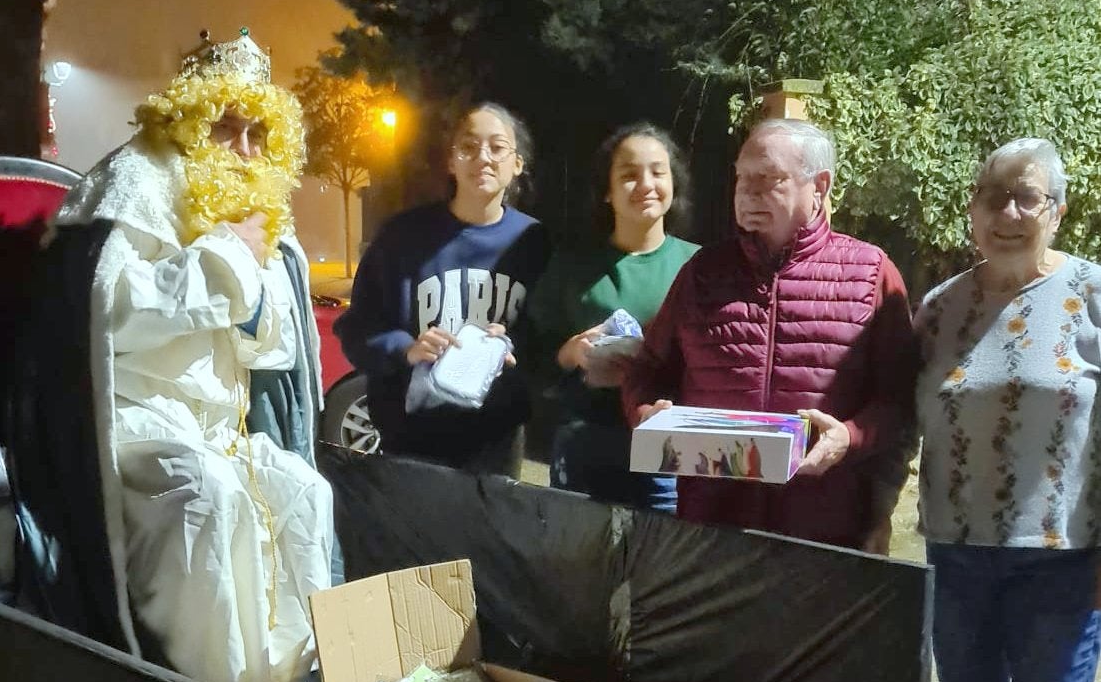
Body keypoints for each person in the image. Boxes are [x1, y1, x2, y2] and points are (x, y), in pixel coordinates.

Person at [20, 29, 334, 682]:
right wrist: (224, 258)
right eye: (226, 126)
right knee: (206, 495)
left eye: (257, 132)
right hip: (133, 423)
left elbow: (270, 352)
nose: (244, 150)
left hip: (217, 430)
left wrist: (252, 276)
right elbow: (109, 318)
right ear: (190, 118)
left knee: (304, 493)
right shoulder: (132, 181)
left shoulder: (253, 210)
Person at [621, 118, 915, 550]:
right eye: (742, 177)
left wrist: (849, 438)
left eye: (768, 177)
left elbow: (902, 401)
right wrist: (646, 412)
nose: (747, 191)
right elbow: (648, 369)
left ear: (819, 186)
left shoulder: (871, 274)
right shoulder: (702, 274)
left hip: (824, 530)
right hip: (710, 531)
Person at [915, 138, 1101, 682]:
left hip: (1061, 558)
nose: (1009, 212)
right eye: (994, 197)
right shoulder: (939, 309)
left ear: (1058, 210)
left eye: (1029, 197)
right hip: (956, 553)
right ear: (973, 209)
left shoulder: (1091, 293)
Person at [335, 102, 549, 477]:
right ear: (451, 161)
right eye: (469, 147)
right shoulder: (403, 237)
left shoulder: (535, 243)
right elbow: (356, 328)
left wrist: (514, 343)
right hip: (413, 436)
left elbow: (549, 333)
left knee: (486, 537)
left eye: (497, 147)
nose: (483, 158)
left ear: (517, 163)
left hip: (495, 439)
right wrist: (406, 348)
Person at [529, 123, 697, 511]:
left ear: (674, 183)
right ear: (606, 191)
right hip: (587, 448)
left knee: (662, 568)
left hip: (670, 455)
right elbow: (533, 358)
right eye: (628, 174)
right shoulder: (572, 269)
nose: (645, 184)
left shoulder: (698, 266)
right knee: (580, 569)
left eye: (658, 171)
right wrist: (569, 353)